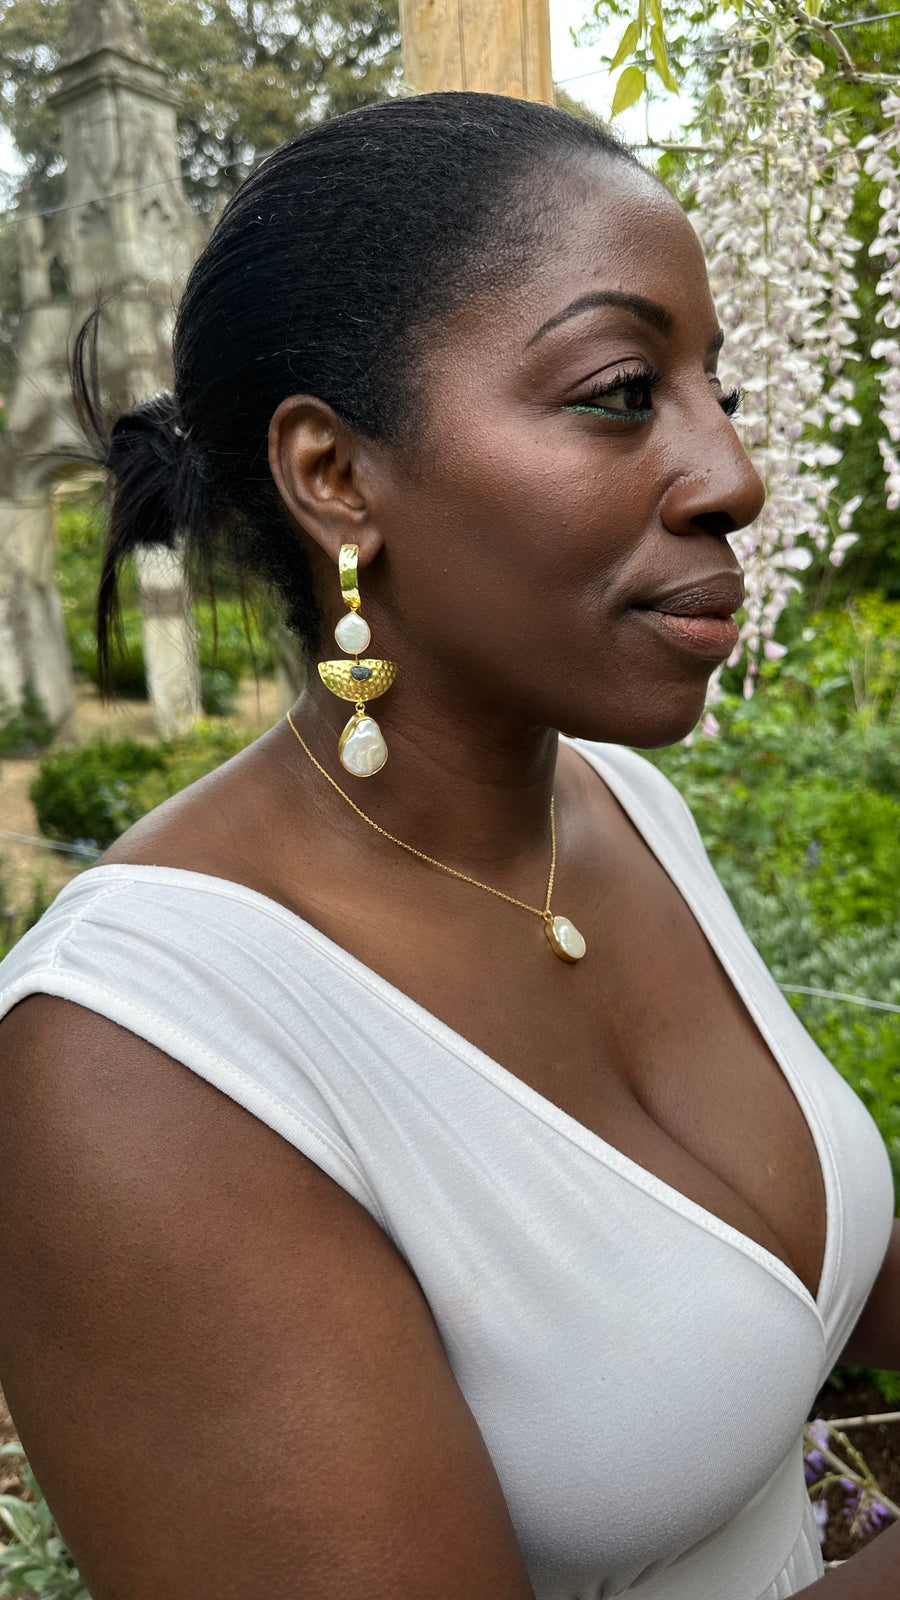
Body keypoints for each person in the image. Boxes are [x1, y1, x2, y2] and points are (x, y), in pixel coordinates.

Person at [0, 91, 897, 1600]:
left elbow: (775, 1282)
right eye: (622, 391)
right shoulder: (134, 1060)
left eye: (720, 388)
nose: (736, 475)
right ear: (337, 478)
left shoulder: (622, 812)